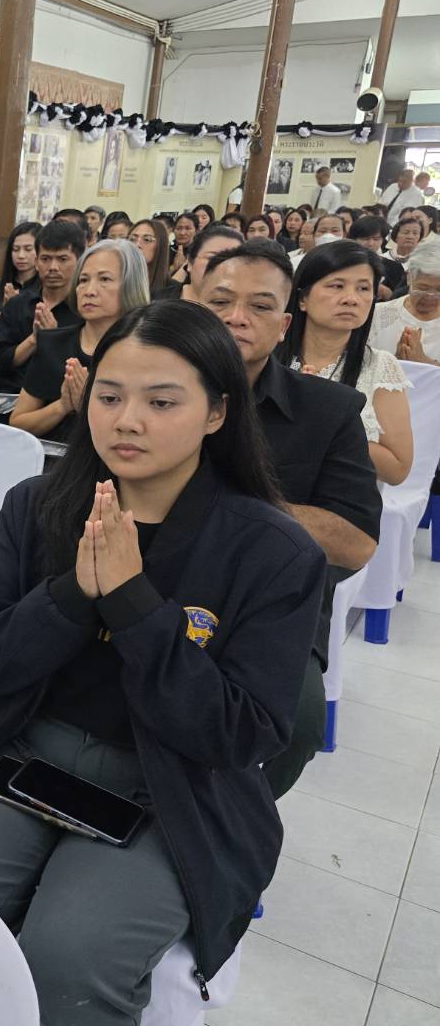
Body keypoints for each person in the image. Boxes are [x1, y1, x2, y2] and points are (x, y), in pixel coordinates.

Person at [0, 301, 325, 1026]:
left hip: (173, 786)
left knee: (71, 958)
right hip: (28, 753)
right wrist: (72, 594)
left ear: (215, 413)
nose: (126, 420)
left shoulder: (270, 550)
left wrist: (135, 604)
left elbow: (244, 732)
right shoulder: (38, 505)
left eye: (160, 401)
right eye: (108, 397)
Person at [198, 239, 381, 796]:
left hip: (271, 604)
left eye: (259, 306)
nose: (236, 318)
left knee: (297, 725)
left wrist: (237, 502)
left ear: (284, 324)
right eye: (221, 302)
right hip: (154, 579)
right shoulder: (151, 393)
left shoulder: (327, 411)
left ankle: (228, 819)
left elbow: (354, 545)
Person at [278, 241, 413, 486]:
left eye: (363, 288)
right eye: (337, 286)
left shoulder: (379, 367)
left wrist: (327, 419)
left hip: (342, 501)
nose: (351, 299)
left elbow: (397, 470)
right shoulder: (271, 358)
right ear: (302, 299)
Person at [11, 239, 150, 442]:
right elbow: (18, 423)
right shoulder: (53, 343)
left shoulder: (146, 351)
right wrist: (62, 407)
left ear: (131, 286)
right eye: (83, 280)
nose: (89, 290)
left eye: (104, 279)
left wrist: (89, 405)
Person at [0, 221, 86, 393]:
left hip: (59, 398)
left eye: (62, 259)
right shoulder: (18, 304)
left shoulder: (84, 310)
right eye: (45, 259)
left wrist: (52, 339)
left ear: (80, 261)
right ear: (36, 262)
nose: (53, 267)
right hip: (9, 395)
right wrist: (35, 339)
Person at [370, 238, 440, 366]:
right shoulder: (378, 314)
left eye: (439, 290)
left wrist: (424, 362)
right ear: (409, 278)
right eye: (422, 288)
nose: (430, 296)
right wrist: (393, 364)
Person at [0, 221, 42, 322]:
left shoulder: (46, 289)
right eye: (15, 249)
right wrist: (7, 309)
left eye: (28, 249)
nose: (21, 255)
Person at [177, 224, 243, 301]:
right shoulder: (161, 300)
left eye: (232, 260)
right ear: (190, 263)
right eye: (212, 258)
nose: (223, 266)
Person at [349, 215, 406, 300]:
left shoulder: (394, 267)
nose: (371, 244)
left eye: (376, 239)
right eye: (365, 239)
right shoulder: (344, 263)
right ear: (354, 239)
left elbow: (398, 299)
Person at [129, 219, 179, 299]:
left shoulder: (173, 289)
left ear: (160, 246)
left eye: (147, 240)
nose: (137, 244)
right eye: (132, 239)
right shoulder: (117, 282)